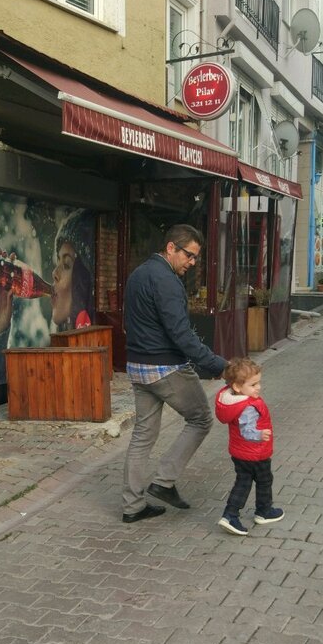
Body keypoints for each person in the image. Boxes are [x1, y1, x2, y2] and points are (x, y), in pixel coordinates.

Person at [122, 224, 227, 524]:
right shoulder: (166, 281)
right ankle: (164, 482)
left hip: (137, 367)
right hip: (164, 368)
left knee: (142, 435)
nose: (192, 263)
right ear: (171, 248)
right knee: (201, 419)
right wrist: (218, 365)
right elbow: (181, 335)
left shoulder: (138, 274)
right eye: (189, 256)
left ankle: (133, 506)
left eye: (195, 257)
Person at [0, 208, 94, 388]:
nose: (54, 273)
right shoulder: (51, 353)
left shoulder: (93, 358)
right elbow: (6, 404)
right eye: (57, 261)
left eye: (66, 265)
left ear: (86, 281)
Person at [215, 356, 284, 536]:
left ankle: (231, 514)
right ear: (238, 387)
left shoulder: (233, 401)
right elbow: (247, 431)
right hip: (255, 452)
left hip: (239, 452)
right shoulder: (247, 407)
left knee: (244, 481)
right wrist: (259, 435)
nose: (258, 387)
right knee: (264, 480)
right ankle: (262, 511)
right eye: (253, 385)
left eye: (258, 383)